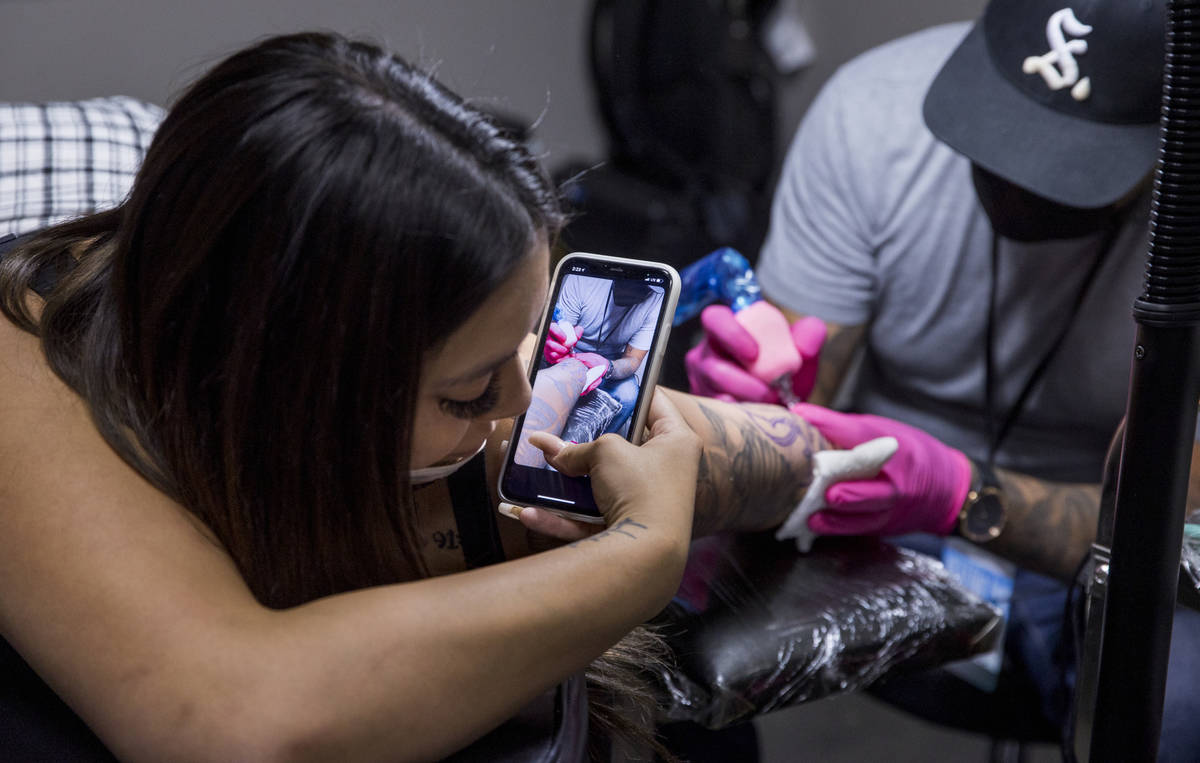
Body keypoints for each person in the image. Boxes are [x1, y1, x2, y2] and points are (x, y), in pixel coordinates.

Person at [0, 31, 836, 761]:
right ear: (299, 390)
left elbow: (768, 455)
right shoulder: (20, 371)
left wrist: (839, 458)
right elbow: (237, 722)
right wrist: (639, 557)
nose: (522, 397)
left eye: (526, 336)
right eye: (471, 389)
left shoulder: (471, 411)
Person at [686, 0, 1200, 757]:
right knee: (642, 627)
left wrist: (966, 493)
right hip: (877, 503)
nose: (1018, 182)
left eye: (1069, 166)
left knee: (1178, 710)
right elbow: (794, 415)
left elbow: (1181, 526)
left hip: (1101, 541)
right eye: (997, 134)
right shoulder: (873, 117)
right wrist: (755, 410)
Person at [543, 273, 665, 438]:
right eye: (629, 284)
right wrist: (560, 351)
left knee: (629, 394)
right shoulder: (583, 279)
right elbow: (561, 333)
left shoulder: (657, 297)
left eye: (642, 288)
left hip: (610, 360)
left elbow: (633, 359)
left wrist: (608, 367)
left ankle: (587, 449)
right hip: (569, 352)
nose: (632, 291)